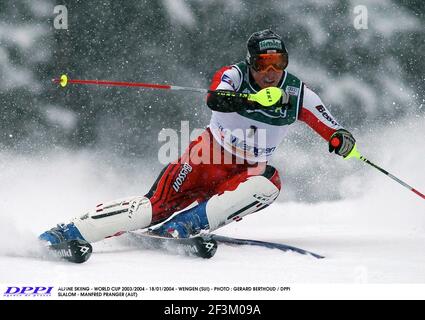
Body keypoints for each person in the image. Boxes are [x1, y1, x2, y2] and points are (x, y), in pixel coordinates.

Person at [39, 29, 356, 245]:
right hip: (207, 157)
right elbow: (215, 98)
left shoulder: (298, 93)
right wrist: (250, 99)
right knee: (154, 207)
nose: (271, 72)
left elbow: (332, 128)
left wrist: (342, 141)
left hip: (246, 172)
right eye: (263, 64)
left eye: (278, 63)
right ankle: (69, 233)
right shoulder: (234, 75)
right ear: (251, 62)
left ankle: (187, 225)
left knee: (269, 184)